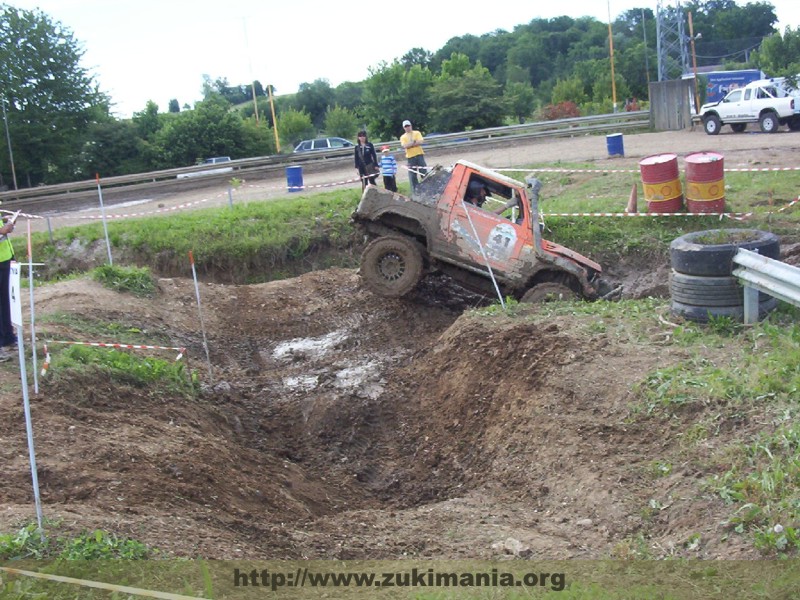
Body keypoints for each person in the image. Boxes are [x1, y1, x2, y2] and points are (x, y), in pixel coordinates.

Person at [0, 212, 17, 363]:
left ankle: (8, 338)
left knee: (5, 301)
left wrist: (4, 222)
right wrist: (2, 230)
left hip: (4, 259)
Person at [400, 119, 427, 191]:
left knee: (423, 172)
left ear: (411, 126)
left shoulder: (417, 133)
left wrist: (410, 144)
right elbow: (404, 146)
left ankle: (427, 187)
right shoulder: (403, 137)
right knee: (412, 175)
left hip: (419, 154)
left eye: (408, 126)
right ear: (404, 128)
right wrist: (414, 142)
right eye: (406, 126)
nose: (407, 127)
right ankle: (415, 190)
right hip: (410, 157)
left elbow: (421, 141)